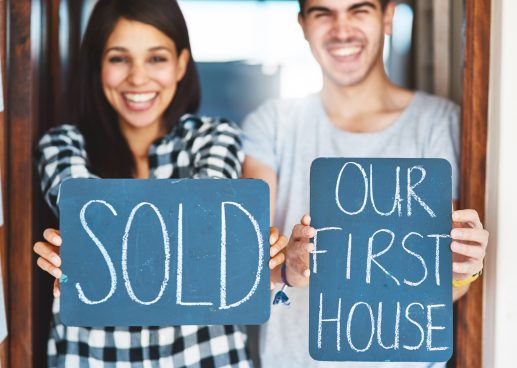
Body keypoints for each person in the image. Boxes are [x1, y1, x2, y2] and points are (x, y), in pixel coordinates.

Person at [32, 0, 287, 366]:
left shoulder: (215, 137)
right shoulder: (62, 145)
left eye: (156, 58)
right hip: (94, 356)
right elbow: (84, 206)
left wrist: (100, 252)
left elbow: (205, 217)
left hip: (203, 355)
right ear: (97, 65)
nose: (138, 78)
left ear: (181, 63)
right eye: (119, 58)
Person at [241, 0, 488, 367]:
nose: (342, 29)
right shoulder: (271, 123)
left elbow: (447, 282)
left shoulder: (440, 121)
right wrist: (290, 270)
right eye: (323, 13)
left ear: (387, 17)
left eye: (359, 10)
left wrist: (462, 268)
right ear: (302, 25)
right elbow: (248, 267)